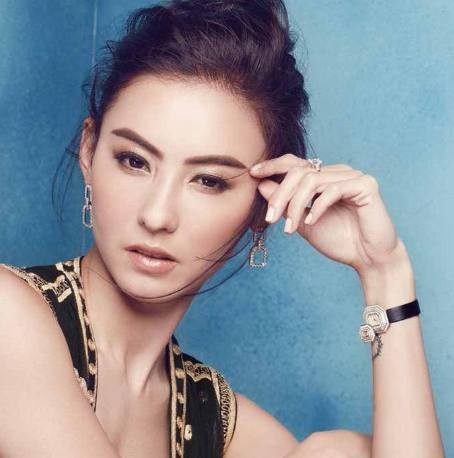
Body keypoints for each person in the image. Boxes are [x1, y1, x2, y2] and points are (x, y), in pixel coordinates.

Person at [0, 0, 444, 457]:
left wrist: (385, 272)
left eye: (208, 181)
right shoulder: (8, 315)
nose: (157, 215)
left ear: (262, 206)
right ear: (90, 152)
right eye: (134, 161)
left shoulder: (212, 417)